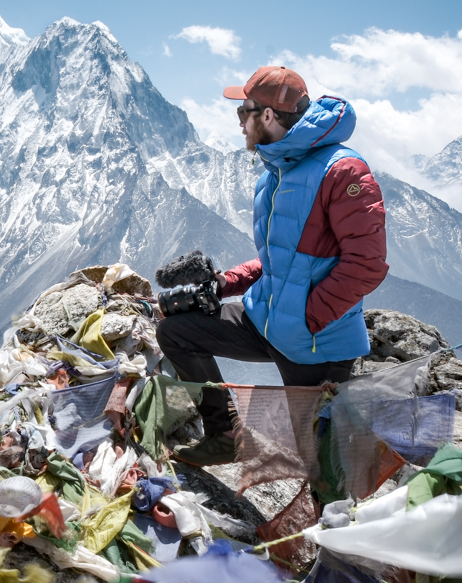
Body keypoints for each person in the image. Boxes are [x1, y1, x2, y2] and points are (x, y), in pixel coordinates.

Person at [157, 66, 388, 466]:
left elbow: (367, 265)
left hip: (317, 345)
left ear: (266, 116)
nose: (240, 124)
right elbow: (279, 259)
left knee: (320, 465)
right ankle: (226, 434)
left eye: (242, 113)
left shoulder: (343, 172)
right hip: (266, 321)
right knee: (177, 331)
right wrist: (225, 283)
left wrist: (307, 319)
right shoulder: (276, 171)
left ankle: (332, 522)